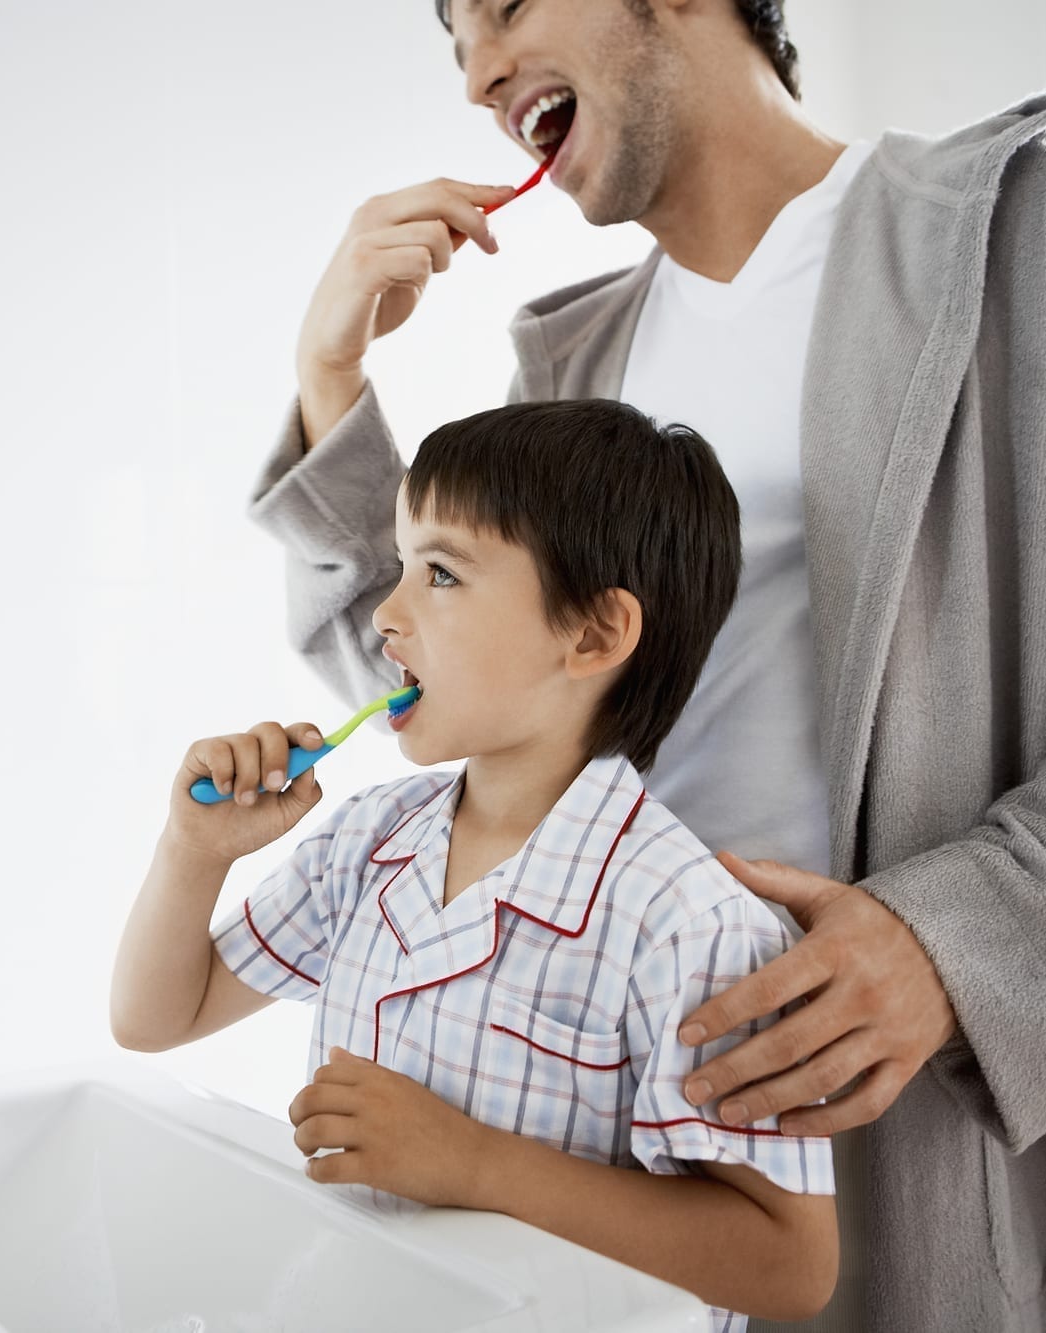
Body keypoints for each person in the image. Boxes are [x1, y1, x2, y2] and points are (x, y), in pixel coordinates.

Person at [244, 1, 1046, 1330]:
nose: (475, 75)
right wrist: (328, 374)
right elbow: (446, 695)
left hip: (923, 1157)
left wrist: (954, 944)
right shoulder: (565, 373)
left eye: (506, 7)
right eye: (453, 43)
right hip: (607, 1173)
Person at [112, 399, 839, 1327]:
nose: (386, 614)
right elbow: (152, 1018)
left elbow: (790, 1262)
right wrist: (192, 852)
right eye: (403, 566)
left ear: (592, 635)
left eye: (442, 574)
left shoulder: (688, 923)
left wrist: (474, 1161)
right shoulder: (371, 841)